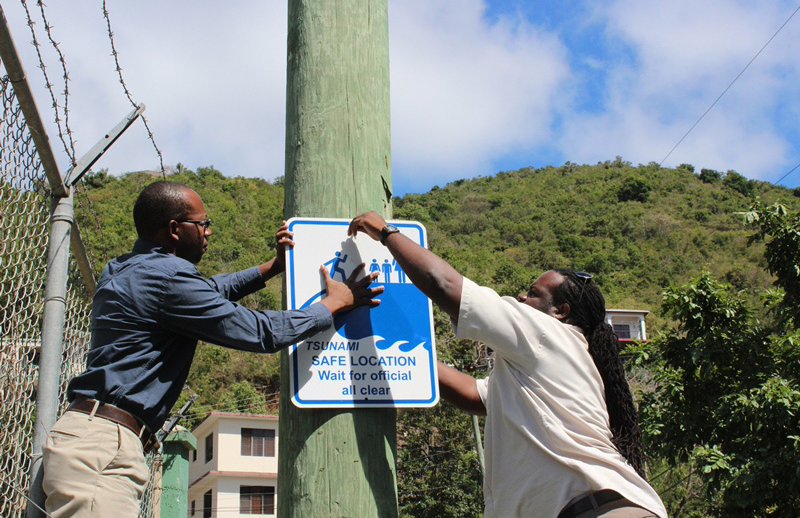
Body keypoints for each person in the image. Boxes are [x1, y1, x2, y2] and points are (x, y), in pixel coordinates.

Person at [41, 181, 382, 517]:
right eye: (202, 223)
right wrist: (332, 305)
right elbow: (260, 332)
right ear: (175, 229)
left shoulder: (122, 268)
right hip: (102, 452)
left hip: (80, 437)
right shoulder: (168, 281)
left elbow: (209, 289)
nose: (208, 231)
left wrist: (274, 266)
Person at [348, 211, 667, 518]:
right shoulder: (553, 362)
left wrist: (385, 232)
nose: (521, 296)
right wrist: (395, 353)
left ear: (560, 310)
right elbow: (475, 395)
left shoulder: (547, 333)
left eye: (532, 293)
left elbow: (443, 284)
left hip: (595, 509)